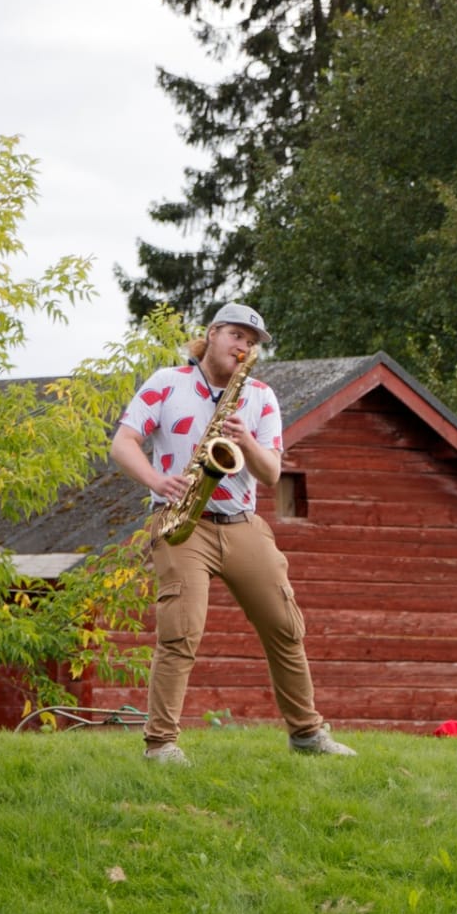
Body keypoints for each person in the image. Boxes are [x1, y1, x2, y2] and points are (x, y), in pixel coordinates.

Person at [109, 302, 355, 763]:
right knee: (180, 632)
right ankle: (160, 745)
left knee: (285, 625)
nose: (243, 347)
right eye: (236, 336)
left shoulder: (260, 395)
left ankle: (307, 735)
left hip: (242, 523)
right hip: (182, 521)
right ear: (213, 333)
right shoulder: (167, 383)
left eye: (251, 342)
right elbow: (123, 442)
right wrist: (156, 481)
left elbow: (270, 472)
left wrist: (246, 441)